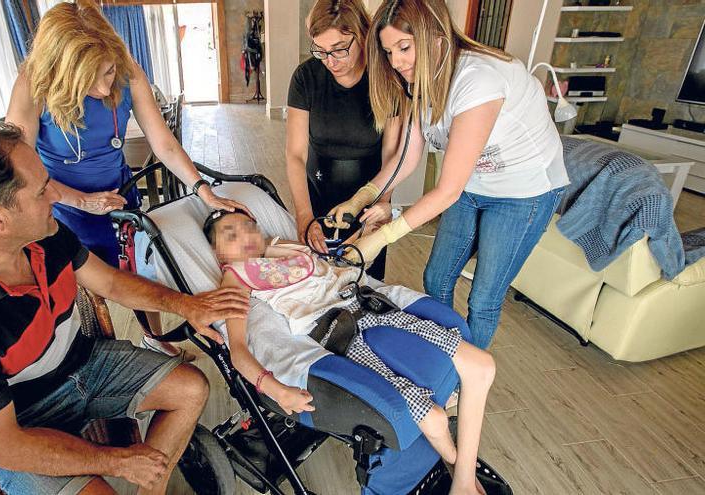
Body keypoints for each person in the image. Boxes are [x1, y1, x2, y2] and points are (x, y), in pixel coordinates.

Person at [0, 123, 250, 495]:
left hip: (82, 364)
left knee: (190, 388)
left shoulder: (44, 233)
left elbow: (112, 283)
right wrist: (117, 461)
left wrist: (186, 305)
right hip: (22, 420)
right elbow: (4, 448)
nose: (55, 195)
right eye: (41, 190)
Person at [5, 0, 248, 357]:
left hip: (119, 195)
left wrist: (202, 190)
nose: (105, 90)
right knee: (86, 287)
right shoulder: (32, 85)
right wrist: (81, 201)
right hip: (59, 205)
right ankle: (89, 352)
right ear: (63, 72)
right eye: (93, 79)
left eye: (107, 73)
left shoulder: (127, 70)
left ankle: (154, 336)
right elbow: (20, 169)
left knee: (139, 270)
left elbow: (162, 142)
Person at [205, 209, 495, 495]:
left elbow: (339, 262)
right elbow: (239, 352)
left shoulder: (284, 246)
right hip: (340, 332)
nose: (244, 235)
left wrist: (364, 236)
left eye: (247, 226)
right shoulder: (237, 276)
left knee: (482, 365)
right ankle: (461, 476)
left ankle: (462, 476)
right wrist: (276, 389)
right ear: (219, 255)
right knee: (434, 418)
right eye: (231, 234)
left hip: (370, 304)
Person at [335, 0, 569, 350]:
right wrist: (362, 196)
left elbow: (446, 191)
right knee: (437, 277)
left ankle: (463, 378)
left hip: (525, 192)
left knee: (484, 298)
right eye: (389, 51)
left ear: (436, 35)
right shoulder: (421, 80)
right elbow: (405, 157)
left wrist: (379, 239)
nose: (397, 62)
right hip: (472, 183)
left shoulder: (478, 80)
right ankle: (444, 353)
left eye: (404, 47)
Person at [286, 0, 406, 281]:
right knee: (319, 282)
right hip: (316, 194)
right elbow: (295, 154)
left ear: (361, 35)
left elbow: (392, 156)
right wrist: (304, 218)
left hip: (370, 196)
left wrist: (378, 210)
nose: (330, 61)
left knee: (365, 283)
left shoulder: (386, 78)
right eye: (321, 51)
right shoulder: (306, 78)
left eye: (339, 49)